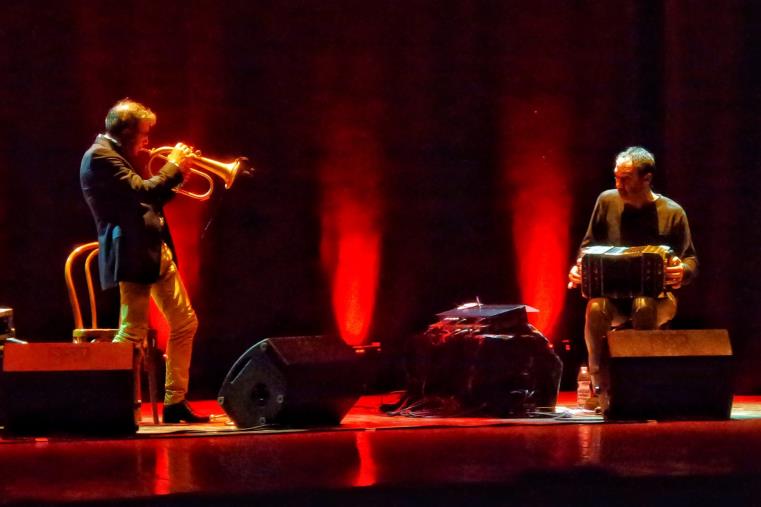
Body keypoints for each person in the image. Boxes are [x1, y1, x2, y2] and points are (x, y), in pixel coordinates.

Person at [80, 98, 209, 423]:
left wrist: (179, 174)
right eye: (143, 133)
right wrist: (174, 166)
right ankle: (108, 403)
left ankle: (175, 402)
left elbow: (149, 202)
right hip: (133, 254)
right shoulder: (100, 157)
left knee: (185, 324)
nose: (148, 141)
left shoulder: (118, 154)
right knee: (132, 332)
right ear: (125, 131)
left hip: (153, 251)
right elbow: (143, 192)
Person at [567, 146, 698, 398]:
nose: (619, 185)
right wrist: (580, 266)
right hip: (613, 300)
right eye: (616, 177)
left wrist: (683, 270)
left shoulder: (672, 212)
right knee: (595, 308)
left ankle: (640, 383)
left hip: (658, 298)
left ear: (646, 178)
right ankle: (598, 385)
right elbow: (588, 245)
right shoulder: (606, 202)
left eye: (625, 179)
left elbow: (690, 258)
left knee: (644, 304)